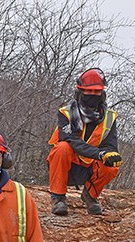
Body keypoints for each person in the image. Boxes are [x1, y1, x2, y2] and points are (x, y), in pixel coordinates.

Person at [46, 67, 123, 215]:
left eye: (96, 92)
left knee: (112, 163)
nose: (92, 95)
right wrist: (100, 154)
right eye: (89, 91)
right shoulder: (65, 113)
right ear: (80, 92)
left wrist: (109, 155)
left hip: (91, 165)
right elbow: (71, 141)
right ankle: (58, 199)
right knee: (62, 148)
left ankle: (90, 196)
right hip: (68, 165)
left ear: (102, 93)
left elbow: (110, 145)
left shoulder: (110, 117)